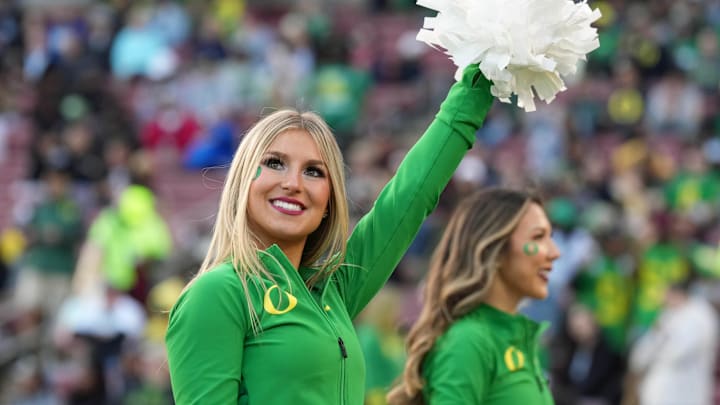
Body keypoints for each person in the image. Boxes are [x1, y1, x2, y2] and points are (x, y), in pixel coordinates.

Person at [165, 64, 494, 404]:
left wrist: (483, 77)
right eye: (275, 163)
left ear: (328, 201)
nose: (293, 183)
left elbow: (410, 197)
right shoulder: (218, 293)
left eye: (313, 171)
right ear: (243, 181)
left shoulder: (333, 292)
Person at [387, 188, 561, 405]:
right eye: (538, 237)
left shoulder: (516, 337)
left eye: (550, 237)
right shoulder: (468, 342)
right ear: (493, 249)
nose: (555, 252)